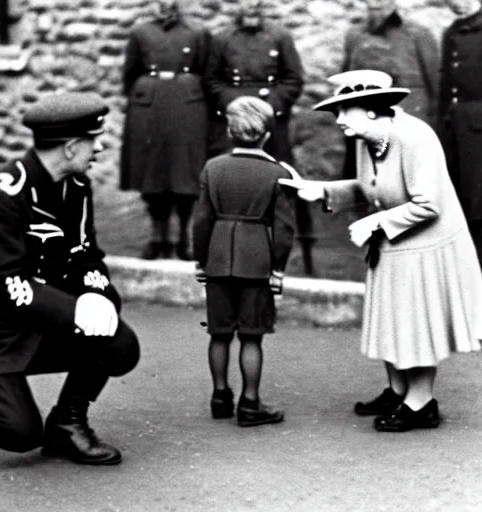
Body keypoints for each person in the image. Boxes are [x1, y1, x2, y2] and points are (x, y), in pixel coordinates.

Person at [279, 70, 482, 432]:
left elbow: (428, 204)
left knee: (416, 323)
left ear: (375, 110)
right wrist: (323, 191)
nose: (339, 119)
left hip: (427, 244)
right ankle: (398, 390)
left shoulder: (416, 139)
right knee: (393, 318)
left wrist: (374, 223)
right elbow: (373, 187)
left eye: (347, 110)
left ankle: (421, 402)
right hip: (395, 242)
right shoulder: (366, 139)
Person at [0, 93, 140, 464]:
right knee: (19, 434)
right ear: (73, 147)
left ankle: (67, 425)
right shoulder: (6, 194)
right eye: (95, 139)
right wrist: (75, 309)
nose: (101, 146)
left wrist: (98, 294)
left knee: (119, 345)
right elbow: (7, 284)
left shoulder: (75, 187)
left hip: (38, 321)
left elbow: (86, 254)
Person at [192, 96, 296, 427]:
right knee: (251, 336)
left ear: (229, 131)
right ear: (266, 134)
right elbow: (283, 230)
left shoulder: (213, 168)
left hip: (218, 259)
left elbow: (201, 221)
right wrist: (277, 267)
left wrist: (200, 260)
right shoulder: (276, 173)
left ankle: (220, 396)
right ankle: (250, 403)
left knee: (219, 333)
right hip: (257, 263)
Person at [204, 0, 317, 276]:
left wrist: (271, 108)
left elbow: (293, 79)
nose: (251, 8)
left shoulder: (280, 36)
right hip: (234, 118)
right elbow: (211, 81)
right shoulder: (222, 39)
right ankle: (224, 246)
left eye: (257, 4)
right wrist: (236, 105)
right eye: (245, 4)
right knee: (229, 176)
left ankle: (298, 248)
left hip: (273, 122)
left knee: (287, 179)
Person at [120, 0, 211, 261]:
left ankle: (185, 237)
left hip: (187, 108)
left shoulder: (197, 32)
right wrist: (143, 97)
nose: (165, 7)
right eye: (160, 3)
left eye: (171, 3)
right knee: (152, 172)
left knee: (185, 173)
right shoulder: (140, 32)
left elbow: (207, 72)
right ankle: (157, 236)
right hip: (149, 109)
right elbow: (130, 73)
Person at [437, 0, 482, 302]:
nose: (457, 3)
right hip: (455, 135)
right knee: (458, 210)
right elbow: (445, 88)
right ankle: (464, 284)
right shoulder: (450, 32)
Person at [341, 0, 439, 178]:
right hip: (365, 124)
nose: (375, 4)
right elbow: (345, 84)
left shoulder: (418, 35)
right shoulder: (355, 36)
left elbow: (436, 86)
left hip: (406, 124)